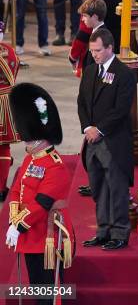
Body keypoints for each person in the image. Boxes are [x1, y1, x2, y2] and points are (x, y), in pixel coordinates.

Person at [5, 83, 75, 303]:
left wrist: (18, 225)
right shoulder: (30, 159)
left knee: (49, 293)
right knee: (37, 290)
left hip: (48, 236)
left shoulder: (56, 166)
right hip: (31, 235)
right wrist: (13, 220)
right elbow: (17, 190)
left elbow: (42, 203)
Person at [78, 28, 136, 251]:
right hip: (92, 141)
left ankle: (120, 233)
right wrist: (87, 127)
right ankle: (103, 231)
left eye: (98, 50)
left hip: (113, 141)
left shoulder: (124, 74)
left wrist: (99, 129)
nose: (94, 54)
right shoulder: (90, 71)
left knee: (116, 189)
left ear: (110, 48)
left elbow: (121, 110)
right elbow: (81, 103)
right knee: (99, 187)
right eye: (92, 51)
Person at [0, 22, 17, 201]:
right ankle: (1, 187)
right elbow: (16, 70)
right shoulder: (10, 52)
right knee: (4, 147)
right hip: (5, 102)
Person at [70, 0, 108, 76]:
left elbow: (101, 67)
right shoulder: (96, 33)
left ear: (94, 17)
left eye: (84, 16)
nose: (82, 19)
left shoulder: (100, 38)